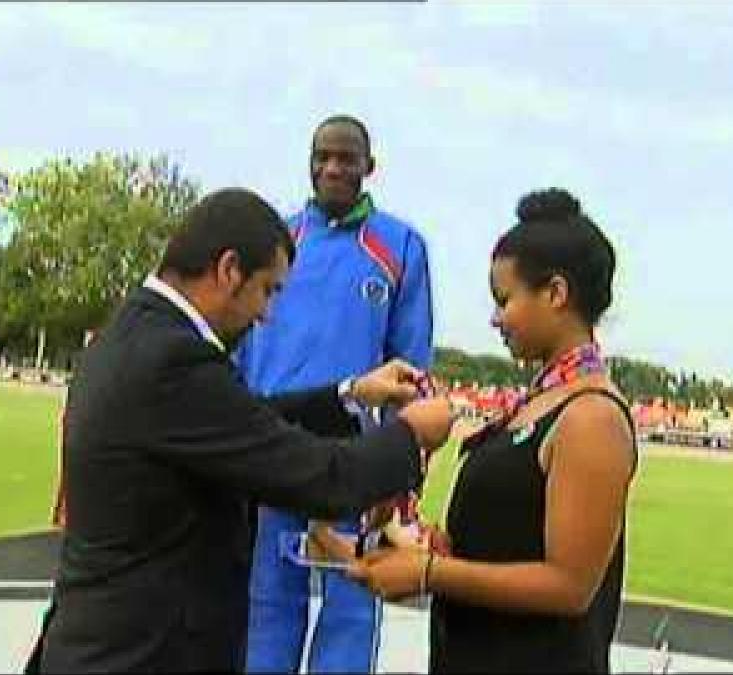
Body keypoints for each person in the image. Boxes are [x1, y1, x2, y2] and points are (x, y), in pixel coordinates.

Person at [35, 187, 453, 673]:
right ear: (229, 269)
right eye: (268, 290)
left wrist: (351, 392)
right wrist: (411, 435)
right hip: (144, 655)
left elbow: (243, 420)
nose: (266, 313)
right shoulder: (175, 360)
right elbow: (323, 479)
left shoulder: (138, 332)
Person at [348, 188, 638, 673]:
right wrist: (435, 547)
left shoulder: (591, 417)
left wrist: (430, 572)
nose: (496, 318)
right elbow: (510, 542)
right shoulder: (540, 402)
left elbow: (569, 586)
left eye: (505, 300)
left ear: (556, 294)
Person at [237, 113, 434, 674]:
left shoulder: (399, 247)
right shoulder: (279, 240)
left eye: (346, 158)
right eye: (321, 156)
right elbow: (240, 347)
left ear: (369, 167)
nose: (332, 168)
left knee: (351, 607)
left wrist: (399, 476)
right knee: (267, 607)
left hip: (354, 460)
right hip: (272, 447)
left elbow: (410, 371)